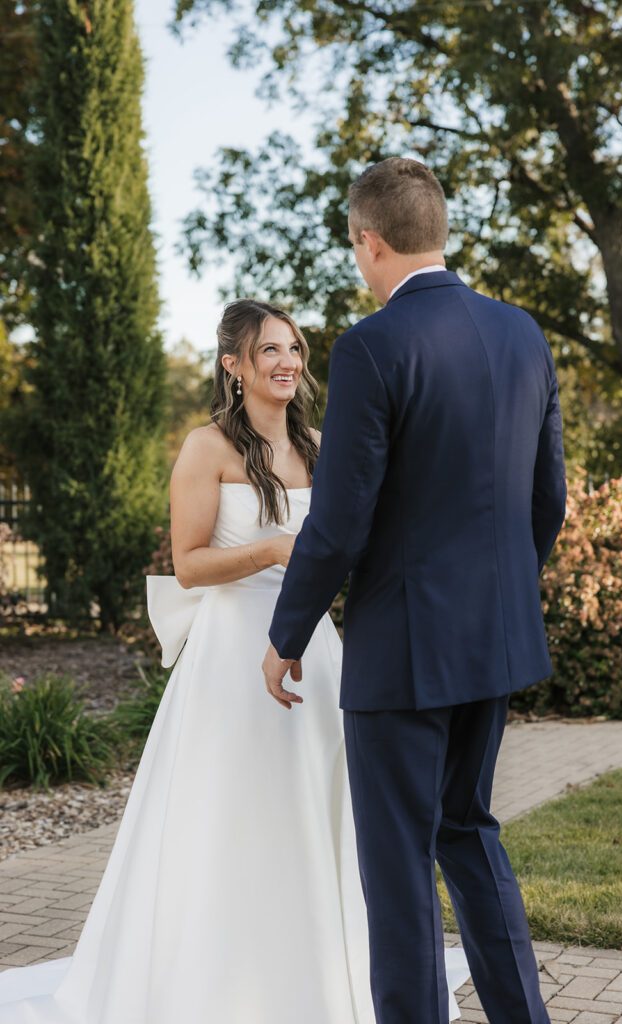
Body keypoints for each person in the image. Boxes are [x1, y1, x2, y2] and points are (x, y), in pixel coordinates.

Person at [0, 298, 469, 1023]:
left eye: (294, 349)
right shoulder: (205, 447)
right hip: (231, 650)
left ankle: (326, 968)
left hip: (313, 643)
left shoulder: (319, 443)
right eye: (269, 351)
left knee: (327, 801)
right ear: (233, 365)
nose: (287, 363)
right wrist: (278, 549)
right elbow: (188, 566)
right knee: (233, 810)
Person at [263, 157, 567, 1024]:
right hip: (495, 640)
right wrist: (499, 595)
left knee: (396, 869)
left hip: (402, 651)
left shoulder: (371, 344)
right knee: (468, 833)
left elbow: (342, 520)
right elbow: (546, 499)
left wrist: (286, 635)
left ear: (369, 241)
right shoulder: (522, 332)